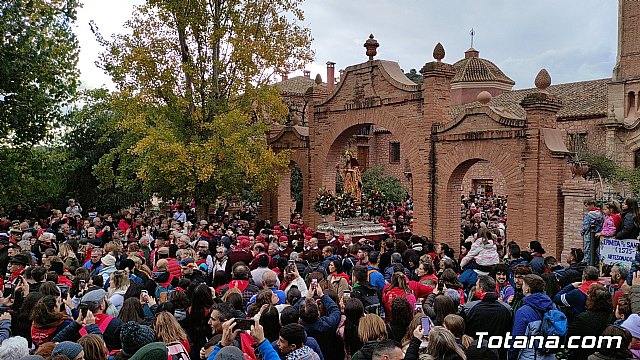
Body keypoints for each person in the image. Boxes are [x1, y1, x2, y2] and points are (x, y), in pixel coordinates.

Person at [461, 275, 512, 359]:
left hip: (475, 352)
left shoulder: (468, 308)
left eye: (477, 285)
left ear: (481, 289)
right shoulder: (507, 309)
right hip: (499, 353)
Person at [509, 274, 556, 360]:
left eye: (523, 285)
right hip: (550, 355)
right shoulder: (553, 306)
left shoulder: (523, 312)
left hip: (530, 356)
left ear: (528, 289)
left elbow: (517, 340)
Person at [295, 286, 343, 360]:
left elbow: (292, 311)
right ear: (318, 312)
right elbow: (335, 310)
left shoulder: (297, 330)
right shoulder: (328, 324)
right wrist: (322, 295)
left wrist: (306, 297)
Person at [581, 199, 604, 265]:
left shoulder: (589, 215)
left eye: (586, 206)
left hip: (589, 236)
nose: (585, 208)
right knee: (595, 252)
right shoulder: (600, 214)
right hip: (597, 236)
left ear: (592, 205)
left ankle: (587, 266)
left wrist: (582, 232)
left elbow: (586, 226)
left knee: (588, 252)